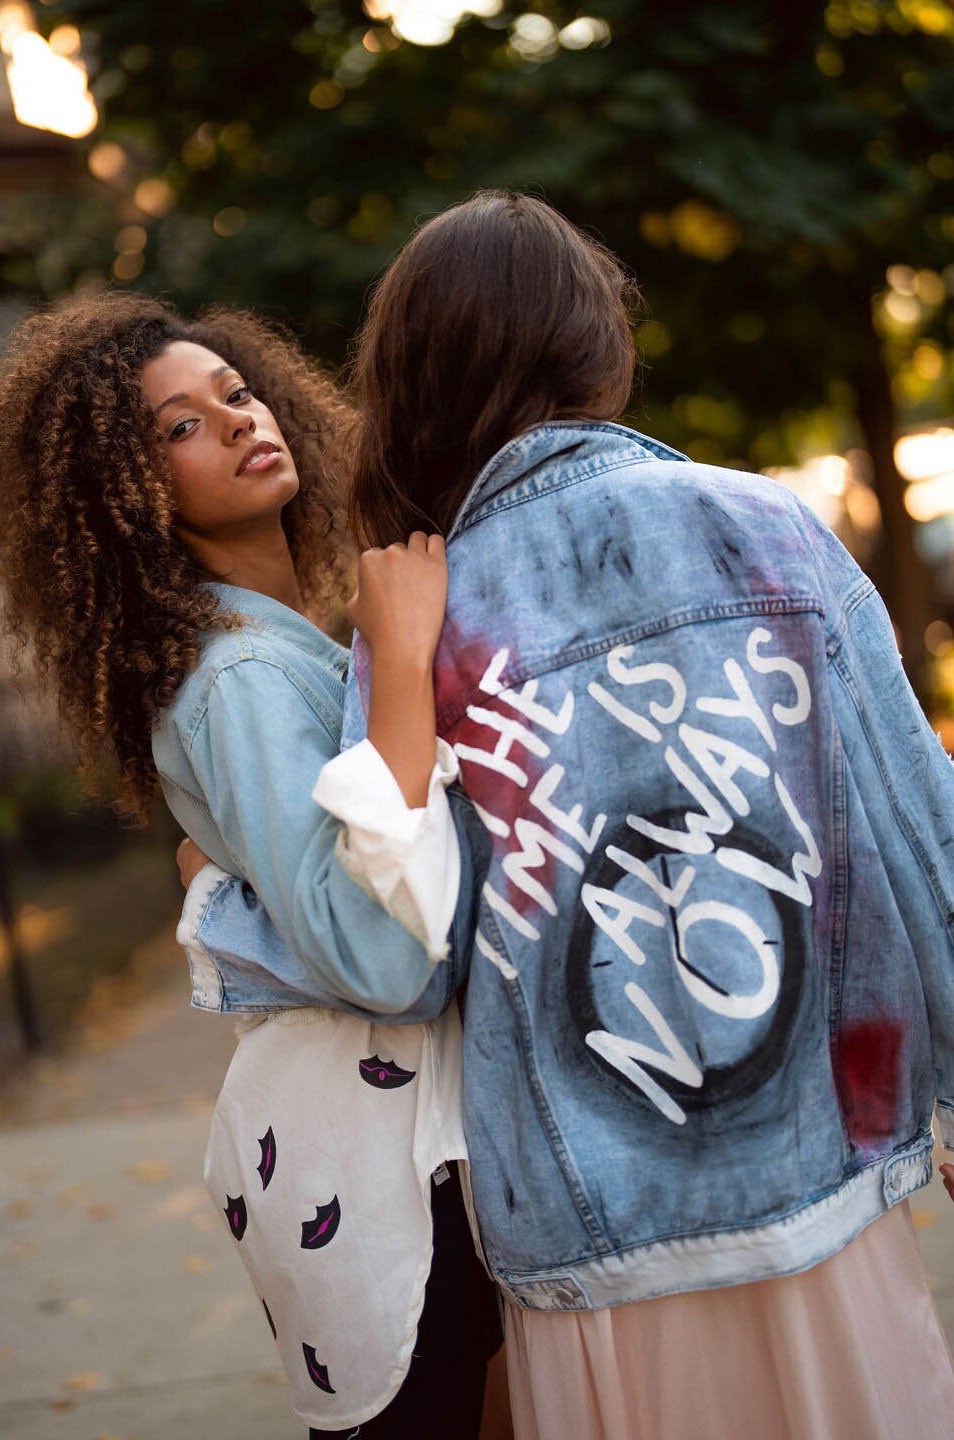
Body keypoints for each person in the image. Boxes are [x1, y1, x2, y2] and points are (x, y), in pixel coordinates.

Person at [186, 192, 954, 1439]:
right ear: (599, 347)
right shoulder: (771, 532)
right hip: (820, 1175)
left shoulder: (413, 625)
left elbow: (405, 956)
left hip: (588, 1237)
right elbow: (925, 830)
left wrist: (220, 903)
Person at [0, 293, 504, 1439]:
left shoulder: (280, 643)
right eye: (179, 426)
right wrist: (403, 659)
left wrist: (223, 897)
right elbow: (385, 964)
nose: (237, 420)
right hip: (374, 1167)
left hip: (388, 1152)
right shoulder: (241, 676)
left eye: (237, 393)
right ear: (123, 489)